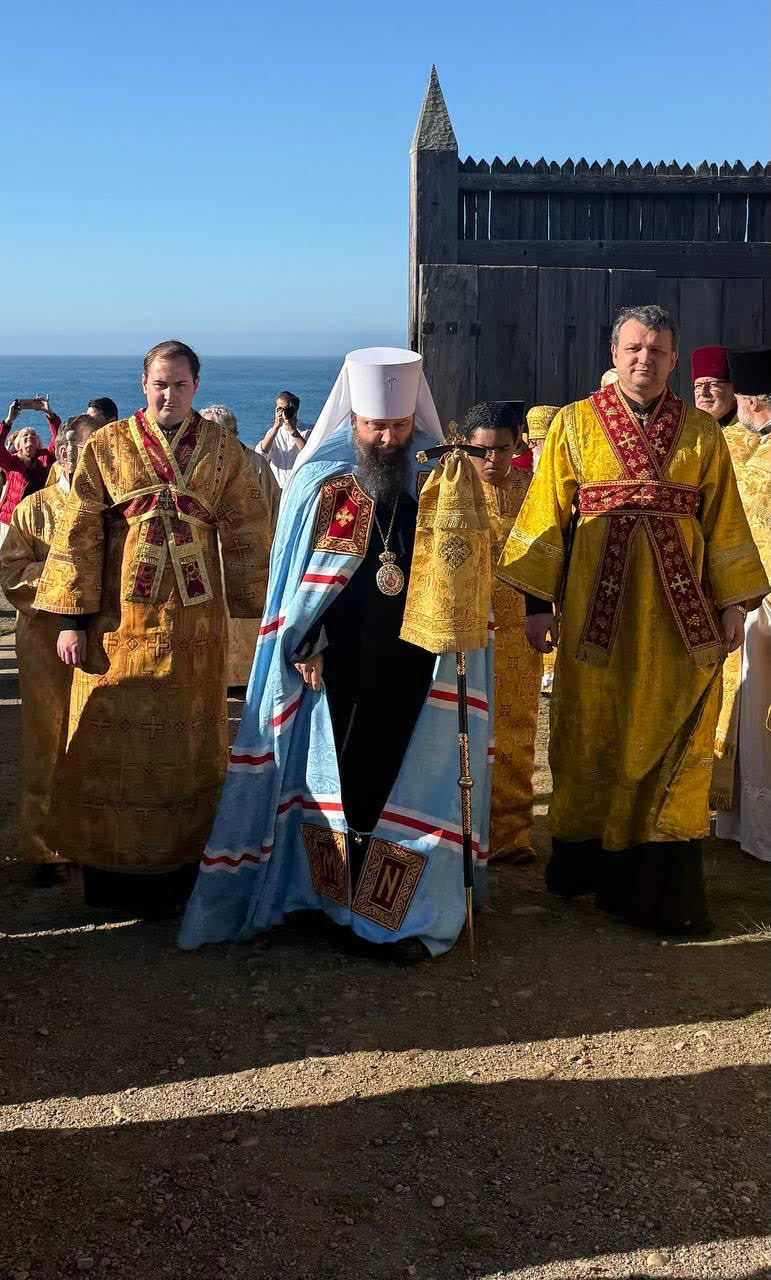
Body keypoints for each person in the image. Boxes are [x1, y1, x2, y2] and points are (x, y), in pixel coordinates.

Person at [179, 347, 494, 961]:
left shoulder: (437, 481)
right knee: (342, 781)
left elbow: (464, 572)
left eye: (398, 426)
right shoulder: (321, 483)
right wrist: (307, 640)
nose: (387, 438)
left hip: (415, 663)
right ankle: (329, 902)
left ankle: (394, 915)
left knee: (402, 777)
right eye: (376, 426)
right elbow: (297, 584)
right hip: (338, 666)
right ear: (353, 420)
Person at [497, 304, 769, 934]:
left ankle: (660, 885)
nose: (645, 358)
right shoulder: (572, 424)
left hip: (681, 620)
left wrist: (732, 603)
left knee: (675, 732)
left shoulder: (701, 433)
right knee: (590, 731)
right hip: (596, 615)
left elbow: (725, 520)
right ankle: (585, 865)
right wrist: (538, 607)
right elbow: (545, 518)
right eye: (634, 348)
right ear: (615, 354)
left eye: (658, 350)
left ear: (673, 360)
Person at [33, 340, 272, 913]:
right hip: (116, 623)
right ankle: (108, 877)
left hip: (195, 629)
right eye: (160, 384)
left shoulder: (223, 450)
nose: (170, 395)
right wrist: (71, 620)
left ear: (197, 387)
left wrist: (260, 606)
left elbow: (249, 524)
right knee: (105, 741)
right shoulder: (107, 445)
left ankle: (182, 874)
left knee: (188, 747)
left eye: (180, 385)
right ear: (143, 384)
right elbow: (78, 532)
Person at [0, 414, 96, 880]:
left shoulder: (112, 509)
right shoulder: (33, 509)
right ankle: (45, 847)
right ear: (63, 452)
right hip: (42, 640)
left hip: (104, 640)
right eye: (81, 449)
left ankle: (96, 841)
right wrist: (67, 578)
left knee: (99, 736)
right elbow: (11, 573)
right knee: (47, 736)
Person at [459, 401, 542, 862]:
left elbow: (547, 554)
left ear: (518, 446)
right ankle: (459, 829)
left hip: (516, 631)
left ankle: (511, 834)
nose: (492, 461)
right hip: (461, 631)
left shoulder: (533, 490)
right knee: (459, 729)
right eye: (482, 451)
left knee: (514, 729)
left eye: (503, 450)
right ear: (464, 445)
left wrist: (543, 612)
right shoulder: (444, 488)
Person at [713, 348, 771, 861]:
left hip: (759, 597)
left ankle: (760, 828)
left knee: (758, 710)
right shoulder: (730, 445)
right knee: (747, 707)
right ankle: (742, 823)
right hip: (744, 596)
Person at [200, 404, 280, 686]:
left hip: (249, 557)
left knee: (246, 623)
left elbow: (273, 509)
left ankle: (245, 678)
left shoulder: (256, 464)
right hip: (208, 557)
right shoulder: (197, 465)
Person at [0, 397, 60, 545]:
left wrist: (49, 413)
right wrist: (8, 421)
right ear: (18, 444)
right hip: (10, 521)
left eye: (33, 434)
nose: (29, 437)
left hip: (38, 521)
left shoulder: (46, 458)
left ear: (38, 442)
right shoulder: (11, 462)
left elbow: (59, 439)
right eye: (25, 435)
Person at [257, 391, 310, 487]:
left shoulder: (308, 430)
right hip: (277, 487)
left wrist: (293, 432)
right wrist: (276, 426)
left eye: (286, 409)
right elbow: (260, 454)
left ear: (295, 410)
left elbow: (310, 455)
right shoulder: (273, 432)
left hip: (299, 486)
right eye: (280, 409)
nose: (283, 413)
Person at [691, 346, 737, 428]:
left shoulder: (748, 434)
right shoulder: (686, 430)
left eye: (713, 385)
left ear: (734, 390)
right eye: (698, 386)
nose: (703, 393)